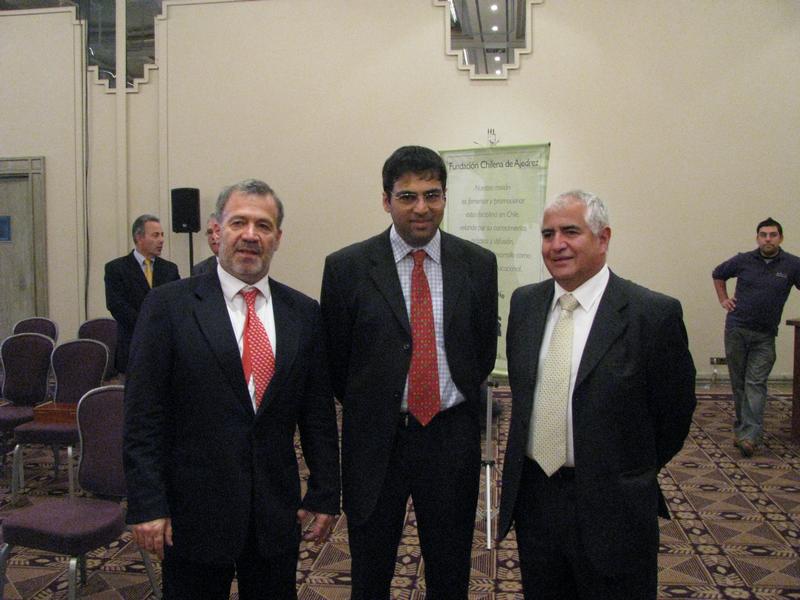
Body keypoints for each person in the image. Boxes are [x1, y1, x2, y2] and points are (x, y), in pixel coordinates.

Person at [124, 179, 340, 599]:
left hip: (275, 513)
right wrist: (147, 502)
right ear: (215, 231)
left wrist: (325, 492)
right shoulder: (168, 307)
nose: (251, 235)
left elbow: (317, 414)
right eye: (238, 222)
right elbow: (143, 417)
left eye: (264, 225)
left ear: (278, 238)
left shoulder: (303, 313)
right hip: (193, 513)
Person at [498, 190, 696, 599]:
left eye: (571, 232)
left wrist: (626, 471)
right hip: (536, 498)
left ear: (603, 238)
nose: (557, 244)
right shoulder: (526, 304)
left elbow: (674, 415)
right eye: (548, 234)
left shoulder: (651, 314)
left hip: (614, 505)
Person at [320, 145, 498, 599]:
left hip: (450, 435)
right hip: (376, 439)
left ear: (445, 196)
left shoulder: (479, 264)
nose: (422, 207)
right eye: (407, 196)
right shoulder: (346, 268)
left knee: (450, 566)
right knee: (370, 567)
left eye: (432, 194)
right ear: (386, 200)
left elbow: (481, 350)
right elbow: (338, 363)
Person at [712, 217, 800, 457]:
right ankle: (743, 429)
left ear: (780, 238)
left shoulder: (792, 265)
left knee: (756, 383)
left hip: (765, 335)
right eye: (763, 235)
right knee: (739, 382)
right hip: (737, 330)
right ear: (758, 238)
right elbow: (718, 273)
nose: (768, 239)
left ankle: (750, 436)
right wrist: (723, 299)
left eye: (773, 235)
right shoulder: (743, 260)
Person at [104, 214, 180, 373]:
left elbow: (178, 304)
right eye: (155, 235)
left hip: (165, 348)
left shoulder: (170, 269)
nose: (161, 240)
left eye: (162, 235)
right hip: (132, 346)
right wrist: (147, 325)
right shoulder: (116, 268)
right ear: (139, 237)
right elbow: (116, 305)